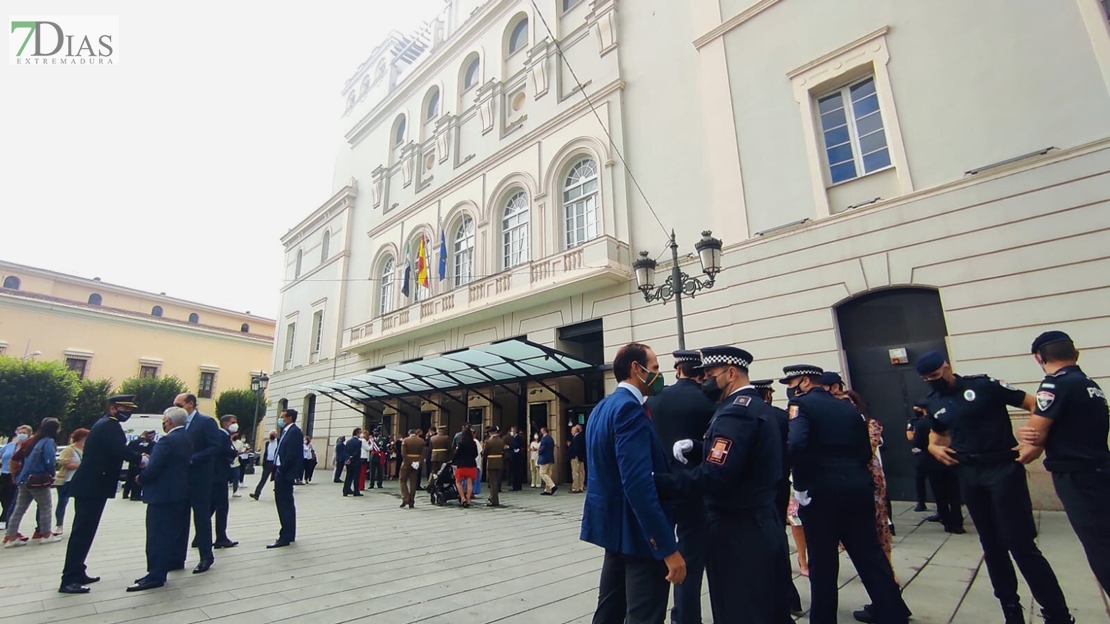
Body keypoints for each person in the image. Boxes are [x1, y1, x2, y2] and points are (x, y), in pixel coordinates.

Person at [919, 350, 1073, 624]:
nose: (933, 380)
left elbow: (1034, 405)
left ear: (947, 367)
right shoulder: (933, 402)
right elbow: (938, 431)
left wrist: (1034, 441)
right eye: (927, 378)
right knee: (991, 545)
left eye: (935, 374)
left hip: (1002, 468)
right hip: (969, 472)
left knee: (1021, 545)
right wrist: (933, 446)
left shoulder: (984, 385)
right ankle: (1010, 609)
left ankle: (1056, 613)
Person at [660, 346, 789, 624]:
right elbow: (742, 456)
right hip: (760, 522)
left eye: (710, 374)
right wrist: (698, 447)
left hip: (737, 530)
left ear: (731, 373)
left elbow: (716, 476)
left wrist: (662, 484)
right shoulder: (755, 407)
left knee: (736, 608)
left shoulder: (735, 414)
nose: (704, 379)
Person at [784, 364, 909, 624]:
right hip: (857, 487)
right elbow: (865, 451)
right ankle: (893, 613)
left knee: (823, 563)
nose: (790, 388)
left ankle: (823, 619)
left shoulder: (801, 405)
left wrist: (801, 483)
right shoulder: (847, 407)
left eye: (792, 382)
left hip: (821, 492)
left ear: (805, 381)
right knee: (870, 555)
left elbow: (796, 444)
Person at [581, 342, 686, 624]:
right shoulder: (629, 410)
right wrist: (666, 547)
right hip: (639, 536)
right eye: (653, 369)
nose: (657, 375)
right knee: (645, 616)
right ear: (635, 369)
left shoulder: (603, 407)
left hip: (615, 531)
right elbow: (638, 484)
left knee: (609, 612)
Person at [1016, 331, 1110, 594]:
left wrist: (1021, 440)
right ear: (1076, 354)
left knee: (1100, 546)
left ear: (1038, 358)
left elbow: (1033, 444)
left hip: (1077, 478)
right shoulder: (1088, 384)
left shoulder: (1053, 386)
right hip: (1100, 469)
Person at [644, 349, 715, 624]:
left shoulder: (657, 398)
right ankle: (686, 618)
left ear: (678, 369)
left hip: (661, 483)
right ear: (700, 373)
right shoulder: (708, 400)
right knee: (691, 560)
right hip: (694, 487)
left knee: (658, 552)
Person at [59, 395, 144, 594]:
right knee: (82, 532)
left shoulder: (106, 423)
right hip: (92, 486)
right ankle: (68, 578)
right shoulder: (109, 425)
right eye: (125, 408)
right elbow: (118, 450)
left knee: (86, 530)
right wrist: (141, 460)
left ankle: (78, 569)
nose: (128, 412)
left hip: (93, 485)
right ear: (114, 408)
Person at [752, 378, 805, 617]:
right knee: (778, 538)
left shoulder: (748, 415)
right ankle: (788, 595)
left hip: (758, 488)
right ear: (768, 394)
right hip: (780, 483)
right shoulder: (783, 417)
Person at [128, 407, 192, 592]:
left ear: (170, 421)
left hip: (161, 495)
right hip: (177, 493)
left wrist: (142, 478)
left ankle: (155, 574)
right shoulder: (186, 437)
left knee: (156, 536)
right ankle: (160, 570)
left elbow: (155, 467)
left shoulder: (167, 440)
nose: (163, 423)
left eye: (164, 420)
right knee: (167, 534)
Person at [173, 392, 223, 575]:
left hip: (200, 478)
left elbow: (214, 446)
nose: (176, 409)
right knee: (180, 518)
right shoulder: (178, 424)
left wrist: (194, 459)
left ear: (191, 404)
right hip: (180, 478)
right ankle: (177, 557)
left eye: (180, 405)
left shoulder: (205, 422)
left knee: (201, 518)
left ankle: (205, 556)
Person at [5, 418, 61, 547]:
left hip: (24, 478)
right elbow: (49, 461)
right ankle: (46, 534)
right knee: (45, 507)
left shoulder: (33, 440)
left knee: (19, 508)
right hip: (38, 479)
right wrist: (52, 474)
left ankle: (11, 537)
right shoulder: (48, 442)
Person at [910, 399, 964, 533]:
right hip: (952, 459)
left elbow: (917, 442)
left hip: (932, 462)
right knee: (954, 492)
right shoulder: (951, 420)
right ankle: (957, 521)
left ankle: (946, 520)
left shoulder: (921, 424)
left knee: (940, 494)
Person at [267, 408, 304, 548]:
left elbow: (292, 455)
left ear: (289, 418)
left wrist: (282, 470)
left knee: (284, 504)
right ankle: (289, 533)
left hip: (285, 474)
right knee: (286, 503)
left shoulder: (294, 432)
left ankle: (285, 536)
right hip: (281, 471)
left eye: (282, 417)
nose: (280, 419)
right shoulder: (287, 431)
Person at [209, 415, 239, 550]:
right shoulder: (223, 435)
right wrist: (234, 452)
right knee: (221, 507)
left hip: (214, 475)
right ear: (226, 423)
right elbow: (228, 451)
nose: (235, 425)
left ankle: (199, 537)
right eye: (233, 422)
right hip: (219, 475)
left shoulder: (219, 434)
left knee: (211, 507)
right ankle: (221, 538)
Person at [54, 428, 89, 536]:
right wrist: (82, 466)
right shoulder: (69, 449)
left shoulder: (87, 449)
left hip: (81, 480)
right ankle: (59, 526)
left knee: (81, 504)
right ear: (81, 437)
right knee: (62, 502)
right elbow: (63, 462)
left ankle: (79, 526)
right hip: (66, 480)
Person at [1, 424, 32, 531]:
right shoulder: (10, 445)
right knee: (4, 496)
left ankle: (5, 519)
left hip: (19, 475)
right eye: (20, 432)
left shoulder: (29, 446)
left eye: (24, 433)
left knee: (13, 499)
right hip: (5, 473)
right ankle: (5, 517)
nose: (22, 435)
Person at [907, 400, 931, 512]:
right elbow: (910, 436)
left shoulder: (931, 420)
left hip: (931, 453)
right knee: (919, 479)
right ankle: (921, 502)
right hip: (919, 455)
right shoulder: (913, 421)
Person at [122, 430, 155, 501]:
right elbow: (153, 454)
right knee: (138, 479)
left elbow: (127, 452)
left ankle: (125, 494)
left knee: (129, 478)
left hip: (133, 462)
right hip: (143, 463)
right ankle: (135, 495)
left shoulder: (133, 442)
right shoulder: (151, 443)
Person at [400, 428, 426, 509]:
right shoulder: (421, 441)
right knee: (413, 482)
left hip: (407, 463)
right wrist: (418, 462)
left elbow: (403, 454)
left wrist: (411, 462)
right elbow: (423, 453)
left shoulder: (405, 440)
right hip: (417, 463)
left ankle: (405, 497)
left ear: (409, 433)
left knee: (402, 480)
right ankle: (412, 501)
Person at [250, 430, 279, 500]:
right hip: (268, 463)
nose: (272, 436)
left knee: (278, 480)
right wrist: (264, 463)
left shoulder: (279, 442)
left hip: (276, 463)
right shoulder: (267, 443)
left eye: (273, 434)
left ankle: (278, 495)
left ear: (276, 435)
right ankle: (257, 494)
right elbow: (266, 453)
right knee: (263, 479)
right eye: (271, 434)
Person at [484, 426, 505, 507]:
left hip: (491, 462)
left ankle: (494, 500)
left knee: (493, 482)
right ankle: (492, 498)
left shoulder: (488, 441)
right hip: (499, 462)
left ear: (490, 432)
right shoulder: (501, 441)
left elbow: (485, 452)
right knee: (497, 481)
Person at [343, 428, 364, 497]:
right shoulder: (359, 442)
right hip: (356, 462)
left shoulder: (348, 441)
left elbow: (345, 451)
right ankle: (356, 491)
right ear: (357, 433)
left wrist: (348, 458)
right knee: (356, 477)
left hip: (349, 462)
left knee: (348, 476)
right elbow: (357, 452)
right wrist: (352, 458)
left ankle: (345, 490)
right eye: (360, 433)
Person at [537, 427, 557, 495]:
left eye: (541, 431)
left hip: (544, 458)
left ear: (543, 431)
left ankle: (552, 486)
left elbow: (542, 449)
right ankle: (547, 490)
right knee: (548, 474)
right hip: (550, 458)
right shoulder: (551, 438)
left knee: (542, 473)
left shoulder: (544, 439)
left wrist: (539, 451)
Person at [568, 425, 587, 493]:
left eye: (572, 430)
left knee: (575, 472)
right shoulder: (581, 437)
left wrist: (573, 455)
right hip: (581, 457)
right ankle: (580, 486)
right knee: (581, 472)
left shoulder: (576, 438)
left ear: (575, 431)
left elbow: (576, 448)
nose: (571, 432)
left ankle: (575, 487)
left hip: (576, 457)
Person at [509, 426, 525, 491]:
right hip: (516, 456)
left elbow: (516, 445)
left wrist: (509, 446)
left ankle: (516, 486)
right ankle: (517, 486)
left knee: (516, 471)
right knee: (516, 471)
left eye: (512, 430)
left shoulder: (517, 438)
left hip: (516, 457)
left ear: (515, 431)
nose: (511, 432)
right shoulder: (515, 437)